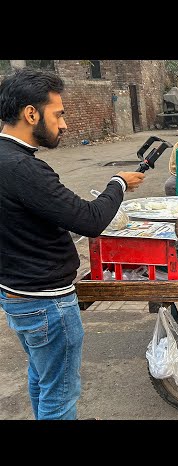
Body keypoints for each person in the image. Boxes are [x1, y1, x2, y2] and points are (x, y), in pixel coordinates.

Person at [0, 67, 145, 420]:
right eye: (58, 113)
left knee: (43, 379)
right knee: (60, 398)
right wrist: (118, 183)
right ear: (31, 113)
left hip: (17, 296)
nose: (64, 124)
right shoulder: (22, 169)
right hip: (47, 304)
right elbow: (89, 220)